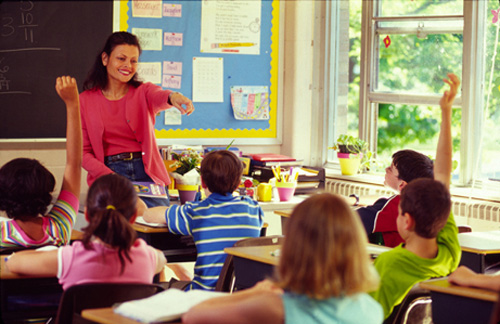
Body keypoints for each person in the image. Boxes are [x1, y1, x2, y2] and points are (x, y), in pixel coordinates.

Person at [182, 193, 383, 324]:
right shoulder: (372, 311)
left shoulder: (274, 308)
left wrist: (251, 292)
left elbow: (192, 316)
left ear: (293, 247)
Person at [369, 73, 462, 319]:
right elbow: (442, 172)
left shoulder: (389, 266)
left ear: (406, 220)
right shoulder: (449, 253)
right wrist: (446, 112)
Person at [80, 31, 195, 208]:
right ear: (105, 59)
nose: (128, 65)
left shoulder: (143, 91)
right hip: (109, 174)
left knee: (159, 229)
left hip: (147, 172)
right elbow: (83, 153)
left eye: (133, 61)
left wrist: (174, 96)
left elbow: (160, 95)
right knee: (118, 232)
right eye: (121, 58)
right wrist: (110, 177)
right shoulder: (85, 100)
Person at [6, 173, 166, 290]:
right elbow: (161, 259)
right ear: (132, 218)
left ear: (87, 214)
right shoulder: (150, 257)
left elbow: (13, 263)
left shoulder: (70, 258)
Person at [143, 150, 264, 291]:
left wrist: (143, 208)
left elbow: (149, 216)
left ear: (202, 182)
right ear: (238, 183)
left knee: (162, 288)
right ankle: (181, 271)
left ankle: (178, 272)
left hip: (202, 296)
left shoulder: (197, 211)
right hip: (240, 297)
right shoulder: (253, 209)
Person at [0, 76, 82, 248]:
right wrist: (72, 103)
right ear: (46, 194)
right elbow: (74, 164)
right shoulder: (60, 229)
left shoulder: (3, 236)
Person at [354, 150, 434, 247]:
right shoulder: (427, 203)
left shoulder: (400, 204)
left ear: (402, 185)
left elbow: (358, 219)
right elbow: (383, 203)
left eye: (391, 169)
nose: (386, 169)